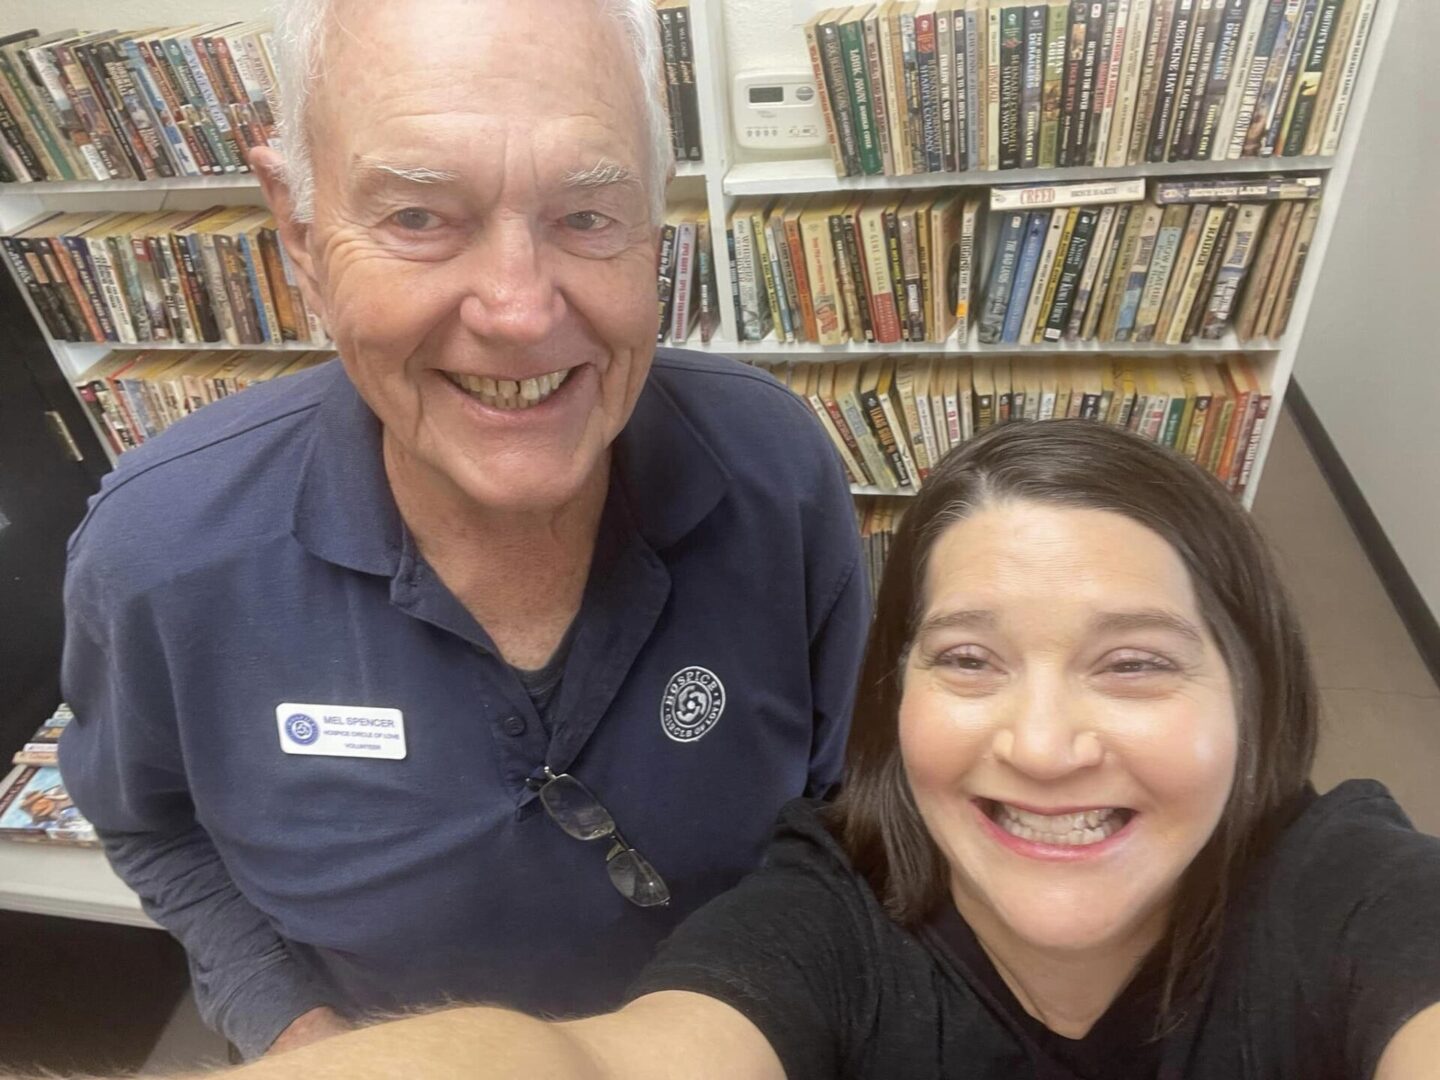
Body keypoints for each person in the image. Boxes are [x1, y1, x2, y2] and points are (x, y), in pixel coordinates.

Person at [56, 0, 867, 1060]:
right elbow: (152, 824)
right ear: (298, 233)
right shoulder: (157, 553)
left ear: (655, 222)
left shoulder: (777, 473)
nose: (521, 311)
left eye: (586, 214)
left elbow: (842, 797)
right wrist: (299, 1032)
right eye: (420, 218)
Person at [206, 420, 1440, 1078]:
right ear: (890, 696)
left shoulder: (1344, 890)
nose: (1048, 742)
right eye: (967, 659)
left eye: (1135, 662)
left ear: (1253, 691)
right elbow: (603, 1062)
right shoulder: (825, 910)